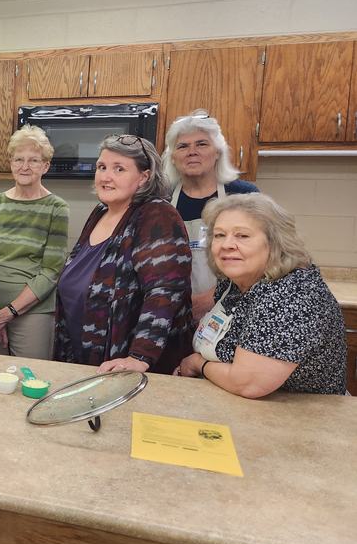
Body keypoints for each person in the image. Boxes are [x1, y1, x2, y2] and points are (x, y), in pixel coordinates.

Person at [178, 194, 346, 396]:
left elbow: (248, 384)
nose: (227, 244)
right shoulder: (233, 283)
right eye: (219, 235)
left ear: (275, 243)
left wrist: (198, 364)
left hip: (300, 411)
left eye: (242, 236)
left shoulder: (291, 295)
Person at [55, 134, 193, 375]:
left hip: (131, 369)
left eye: (119, 169)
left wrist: (140, 356)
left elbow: (164, 292)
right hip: (84, 358)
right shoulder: (100, 212)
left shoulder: (157, 214)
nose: (106, 177)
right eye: (102, 167)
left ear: (144, 177)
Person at [0, 126, 68, 359]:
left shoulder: (56, 208)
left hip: (32, 308)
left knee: (30, 373)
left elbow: (51, 271)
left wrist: (7, 313)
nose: (25, 166)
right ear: (11, 163)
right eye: (19, 159)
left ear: (45, 166)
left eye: (34, 160)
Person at [161, 110, 258, 320]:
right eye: (182, 146)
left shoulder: (244, 196)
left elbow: (262, 260)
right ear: (173, 157)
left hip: (230, 310)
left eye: (202, 144)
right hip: (172, 313)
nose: (192, 152)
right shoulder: (161, 201)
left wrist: (212, 297)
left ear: (218, 152)